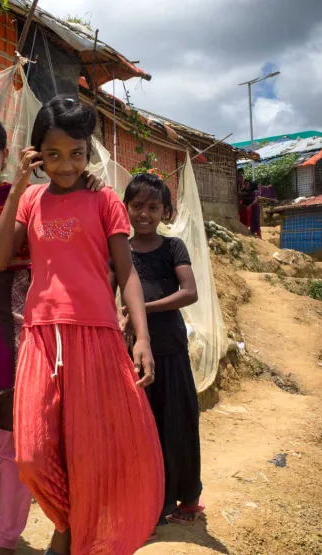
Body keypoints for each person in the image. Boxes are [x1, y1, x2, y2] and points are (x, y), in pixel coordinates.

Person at [0, 95, 164, 555]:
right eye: (53, 154)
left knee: (90, 450)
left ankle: (71, 535)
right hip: (41, 335)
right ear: (36, 154)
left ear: (89, 151)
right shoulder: (29, 199)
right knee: (31, 455)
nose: (65, 165)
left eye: (76, 153)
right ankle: (69, 521)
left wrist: (141, 336)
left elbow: (126, 273)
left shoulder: (105, 200)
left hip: (97, 335)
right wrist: (17, 187)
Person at [0, 115, 105, 555]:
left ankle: (6, 539)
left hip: (15, 336)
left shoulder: (29, 202)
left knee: (13, 447)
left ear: (5, 155)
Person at [112, 173, 203, 531]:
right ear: (126, 208)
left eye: (153, 207)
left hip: (170, 348)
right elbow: (107, 291)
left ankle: (187, 497)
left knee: (179, 422)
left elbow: (189, 292)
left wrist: (142, 310)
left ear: (165, 211)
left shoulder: (172, 247)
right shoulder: (120, 250)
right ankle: (152, 501)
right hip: (134, 351)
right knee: (143, 429)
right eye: (137, 206)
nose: (144, 214)